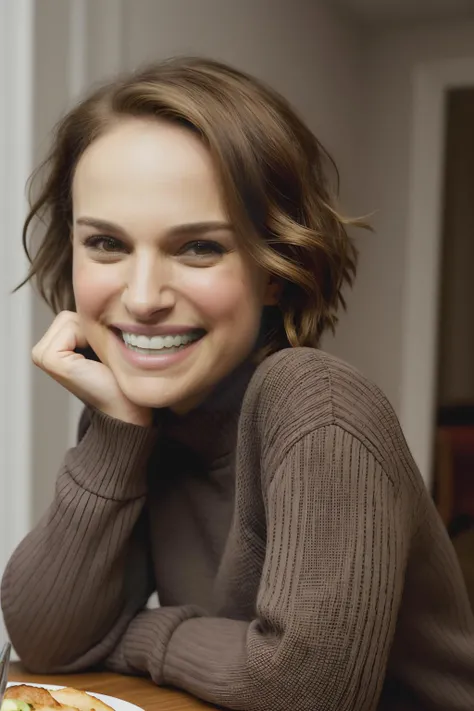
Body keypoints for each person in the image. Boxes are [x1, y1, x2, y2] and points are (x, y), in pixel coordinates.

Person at [1, 56, 473, 711]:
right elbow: (46, 641)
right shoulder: (141, 418)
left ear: (275, 268)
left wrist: (130, 635)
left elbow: (306, 691)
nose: (142, 298)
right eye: (106, 243)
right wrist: (115, 433)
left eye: (198, 247)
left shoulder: (319, 406)